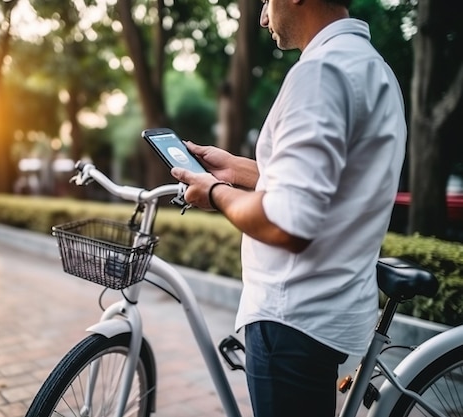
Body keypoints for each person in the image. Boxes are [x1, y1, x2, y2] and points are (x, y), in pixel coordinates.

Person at [169, 0, 407, 415]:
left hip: (291, 318)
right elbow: (327, 188)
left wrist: (213, 194)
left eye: (265, 1)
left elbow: (287, 220)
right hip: (326, 312)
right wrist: (237, 170)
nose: (263, 16)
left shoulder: (320, 73)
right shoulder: (374, 69)